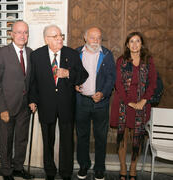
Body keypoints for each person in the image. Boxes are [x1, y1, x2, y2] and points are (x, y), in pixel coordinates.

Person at [29, 25, 88, 180]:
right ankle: (50, 171)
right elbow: (33, 81)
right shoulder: (37, 55)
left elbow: (83, 75)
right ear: (46, 39)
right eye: (55, 36)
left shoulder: (72, 54)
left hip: (66, 105)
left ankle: (66, 172)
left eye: (60, 35)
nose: (60, 38)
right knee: (47, 141)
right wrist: (32, 100)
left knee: (67, 141)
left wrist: (68, 73)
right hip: (45, 104)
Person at [110, 32, 157, 180]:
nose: (135, 44)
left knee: (137, 137)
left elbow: (153, 83)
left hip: (142, 104)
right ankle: (123, 167)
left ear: (142, 44)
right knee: (122, 137)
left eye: (138, 41)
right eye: (132, 41)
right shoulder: (121, 61)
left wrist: (143, 101)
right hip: (123, 104)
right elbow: (117, 83)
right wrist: (129, 102)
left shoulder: (148, 61)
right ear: (127, 44)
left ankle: (133, 168)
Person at [0, 21, 33, 180]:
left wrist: (32, 100)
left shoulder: (30, 53)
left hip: (25, 106)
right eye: (19, 32)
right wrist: (2, 108)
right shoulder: (2, 53)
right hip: (7, 107)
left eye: (26, 32)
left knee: (22, 140)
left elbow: (31, 80)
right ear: (11, 34)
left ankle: (18, 167)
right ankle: (6, 171)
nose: (23, 36)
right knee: (6, 141)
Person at [75, 27, 116, 180]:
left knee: (100, 136)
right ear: (85, 38)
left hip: (101, 103)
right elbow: (71, 73)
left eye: (99, 38)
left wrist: (103, 93)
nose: (96, 41)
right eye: (92, 37)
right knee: (82, 135)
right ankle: (84, 166)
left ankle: (99, 168)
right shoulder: (76, 53)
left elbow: (111, 77)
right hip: (81, 102)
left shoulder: (106, 54)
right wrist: (75, 84)